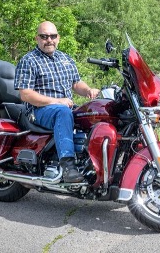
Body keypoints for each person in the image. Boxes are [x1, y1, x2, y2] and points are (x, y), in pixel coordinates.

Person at [14, 21, 99, 183]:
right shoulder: (29, 60)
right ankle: (68, 165)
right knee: (63, 111)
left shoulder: (65, 58)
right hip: (38, 111)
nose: (49, 40)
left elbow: (76, 83)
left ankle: (91, 161)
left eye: (52, 36)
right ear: (36, 38)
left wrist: (88, 90)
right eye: (44, 36)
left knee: (93, 113)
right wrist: (57, 101)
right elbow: (25, 94)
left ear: (58, 38)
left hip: (63, 107)